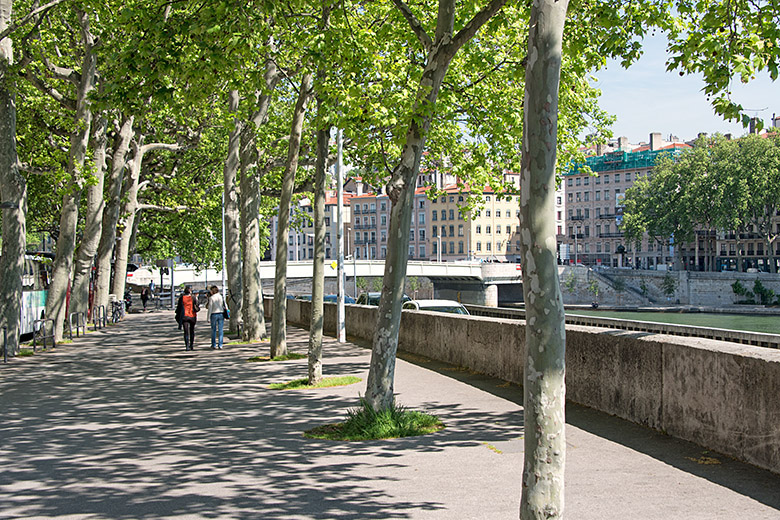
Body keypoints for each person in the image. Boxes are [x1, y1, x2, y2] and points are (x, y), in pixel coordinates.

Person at [175, 286, 200, 350]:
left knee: (186, 331)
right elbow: (197, 305)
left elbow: (179, 307)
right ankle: (191, 345)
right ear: (190, 291)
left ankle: (187, 346)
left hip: (184, 316)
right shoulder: (193, 297)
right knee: (192, 330)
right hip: (192, 315)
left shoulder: (182, 298)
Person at [207, 285, 225, 350]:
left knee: (213, 330)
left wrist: (208, 317)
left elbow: (210, 308)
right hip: (221, 313)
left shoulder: (212, 298)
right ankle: (220, 344)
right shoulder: (220, 297)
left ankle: (214, 344)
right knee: (220, 330)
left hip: (214, 314)